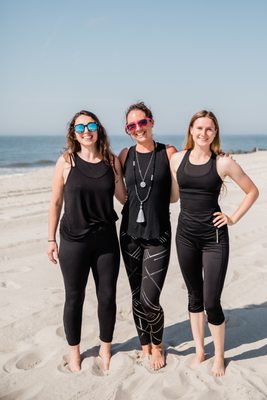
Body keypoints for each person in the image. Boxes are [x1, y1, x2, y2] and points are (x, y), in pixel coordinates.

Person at [170, 110, 259, 377]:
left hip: (214, 238)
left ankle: (219, 355)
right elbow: (174, 198)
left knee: (211, 302)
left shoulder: (223, 163)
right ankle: (200, 350)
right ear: (191, 129)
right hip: (184, 235)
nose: (203, 133)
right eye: (199, 128)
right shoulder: (177, 160)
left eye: (209, 129)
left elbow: (252, 191)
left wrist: (232, 218)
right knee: (193, 296)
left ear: (215, 133)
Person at [47, 110, 126, 372]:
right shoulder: (66, 162)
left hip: (106, 241)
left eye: (91, 125)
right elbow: (56, 202)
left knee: (107, 296)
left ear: (99, 129)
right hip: (73, 241)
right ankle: (75, 352)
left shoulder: (111, 162)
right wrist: (51, 239)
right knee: (74, 297)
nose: (86, 130)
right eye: (80, 127)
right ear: (73, 133)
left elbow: (124, 198)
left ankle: (105, 347)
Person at [119, 101, 177, 370]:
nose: (138, 128)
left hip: (159, 234)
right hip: (129, 234)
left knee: (149, 298)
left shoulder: (168, 152)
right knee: (135, 295)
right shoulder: (124, 155)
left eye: (142, 122)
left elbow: (177, 193)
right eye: (132, 125)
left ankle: (157, 345)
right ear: (127, 130)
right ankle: (144, 344)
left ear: (152, 122)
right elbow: (119, 193)